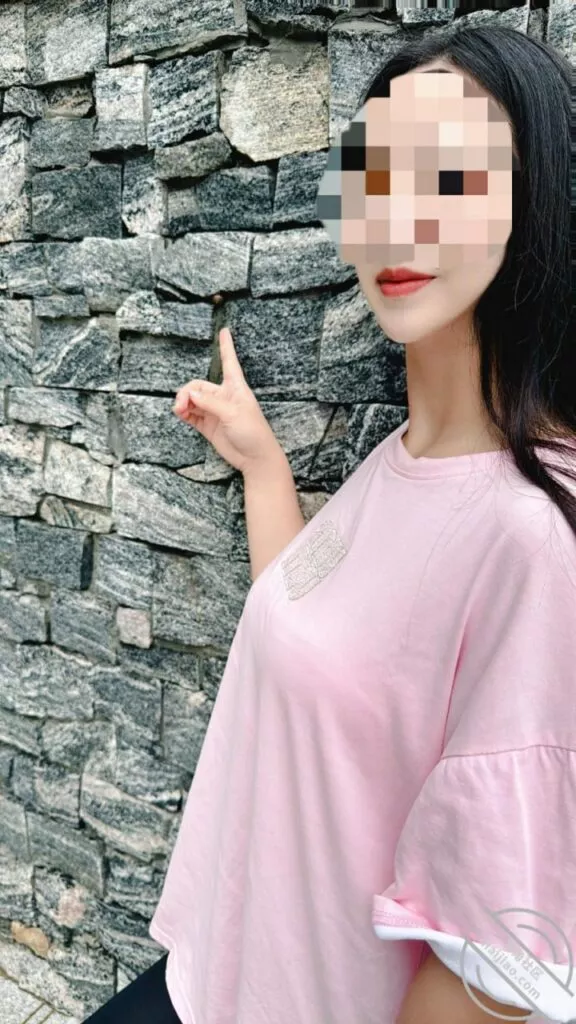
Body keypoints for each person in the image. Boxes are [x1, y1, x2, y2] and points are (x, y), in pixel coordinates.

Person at [84, 22, 575, 1024]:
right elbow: (315, 618)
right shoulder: (400, 462)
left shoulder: (534, 537)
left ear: (536, 203)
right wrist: (266, 465)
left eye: (449, 177)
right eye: (374, 179)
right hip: (210, 975)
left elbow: (493, 972)